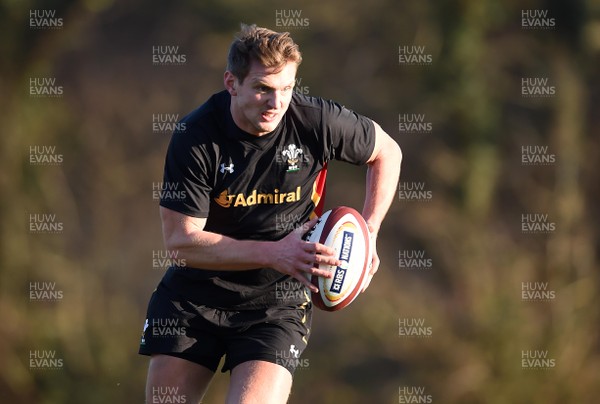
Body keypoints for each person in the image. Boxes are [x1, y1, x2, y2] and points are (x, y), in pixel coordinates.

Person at [139, 23, 402, 404]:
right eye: (262, 88)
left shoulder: (316, 121)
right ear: (232, 83)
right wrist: (276, 253)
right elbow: (181, 243)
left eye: (286, 89)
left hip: (275, 304)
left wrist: (371, 229)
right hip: (193, 298)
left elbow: (387, 152)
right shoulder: (196, 137)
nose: (276, 102)